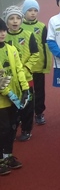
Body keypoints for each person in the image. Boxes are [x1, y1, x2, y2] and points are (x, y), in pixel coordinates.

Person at [3, 6, 38, 141]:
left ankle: (26, 129)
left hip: (26, 78)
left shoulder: (29, 35)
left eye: (18, 18)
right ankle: (12, 128)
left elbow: (35, 54)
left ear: (21, 20)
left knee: (27, 105)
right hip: (10, 80)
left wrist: (26, 68)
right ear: (7, 22)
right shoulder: (4, 37)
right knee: (12, 105)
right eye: (11, 18)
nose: (15, 21)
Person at [0, 19, 29, 174]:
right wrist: (9, 94)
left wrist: (25, 89)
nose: (2, 33)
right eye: (0, 31)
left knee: (12, 128)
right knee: (2, 129)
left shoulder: (11, 49)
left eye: (4, 30)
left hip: (14, 98)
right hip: (2, 101)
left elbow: (18, 70)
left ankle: (8, 156)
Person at [21, 0, 52, 126]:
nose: (33, 13)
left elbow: (46, 47)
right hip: (23, 69)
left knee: (39, 92)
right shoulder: (19, 26)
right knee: (26, 92)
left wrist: (46, 65)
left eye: (35, 10)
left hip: (38, 67)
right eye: (29, 10)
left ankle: (39, 113)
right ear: (24, 12)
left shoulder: (41, 27)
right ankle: (24, 115)